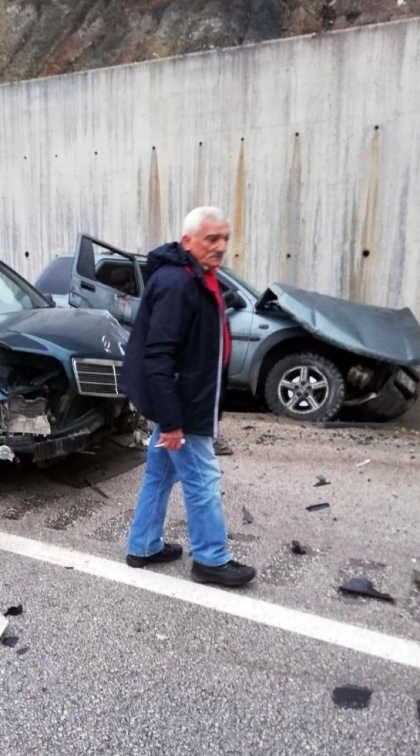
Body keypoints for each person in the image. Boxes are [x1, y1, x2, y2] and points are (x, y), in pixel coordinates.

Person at [121, 206, 256, 588]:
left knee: (160, 474)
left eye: (225, 238)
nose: (221, 246)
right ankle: (211, 559)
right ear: (187, 241)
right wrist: (172, 421)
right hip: (183, 405)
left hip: (186, 400)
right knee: (202, 479)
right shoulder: (177, 283)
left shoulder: (197, 277)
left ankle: (143, 546)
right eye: (212, 238)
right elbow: (158, 356)